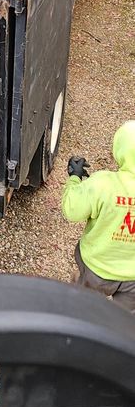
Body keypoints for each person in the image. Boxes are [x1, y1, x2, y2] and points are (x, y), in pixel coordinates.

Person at [62, 121, 135, 313]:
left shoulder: (103, 183)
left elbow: (72, 210)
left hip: (96, 267)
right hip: (133, 280)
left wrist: (74, 178)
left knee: (83, 306)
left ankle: (80, 314)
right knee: (121, 319)